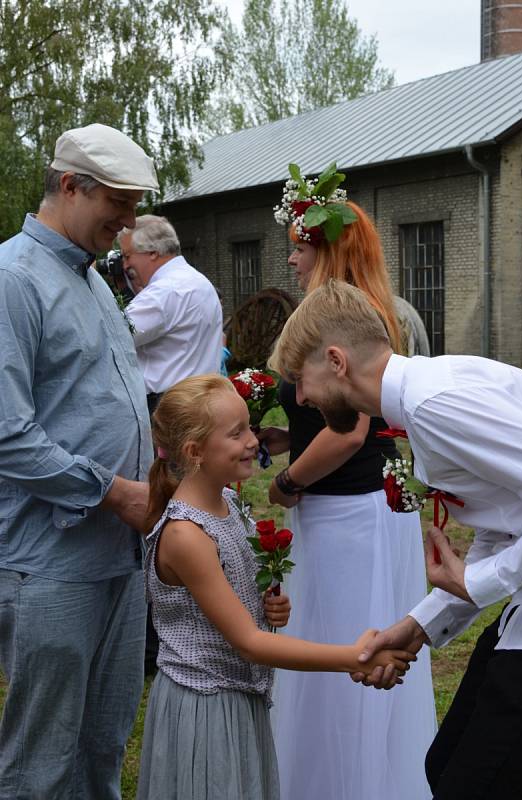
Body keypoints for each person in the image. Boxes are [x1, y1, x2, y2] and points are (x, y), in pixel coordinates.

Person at [269, 279, 522, 800]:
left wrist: (482, 581)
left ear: (336, 361)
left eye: (300, 380)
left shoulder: (434, 404)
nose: (303, 398)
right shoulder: (427, 394)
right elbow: (510, 518)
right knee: (441, 768)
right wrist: (420, 625)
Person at [134, 373, 415, 800]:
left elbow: (235, 605)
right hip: (206, 706)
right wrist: (353, 659)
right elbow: (248, 643)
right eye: (236, 433)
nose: (253, 440)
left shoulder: (227, 501)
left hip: (240, 696)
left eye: (249, 427)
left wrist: (265, 605)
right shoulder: (186, 535)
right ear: (195, 453)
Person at [261, 164, 437, 800]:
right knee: (337, 641)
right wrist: (289, 436)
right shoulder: (359, 314)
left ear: (327, 248)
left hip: (351, 515)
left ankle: (349, 782)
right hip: (361, 509)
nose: (291, 259)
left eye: (299, 247)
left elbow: (349, 434)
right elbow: (327, 421)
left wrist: (287, 482)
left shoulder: (349, 323)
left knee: (345, 648)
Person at [0, 123, 159, 799]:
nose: (127, 225)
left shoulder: (94, 283)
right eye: (117, 206)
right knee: (41, 762)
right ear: (71, 185)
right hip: (50, 564)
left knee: (101, 744)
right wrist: (111, 492)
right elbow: (7, 434)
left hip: (118, 554)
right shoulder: (12, 279)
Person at [117, 214, 223, 415]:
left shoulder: (162, 293)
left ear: (153, 252)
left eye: (127, 256)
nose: (124, 265)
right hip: (199, 401)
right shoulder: (198, 282)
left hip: (165, 408)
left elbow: (112, 339)